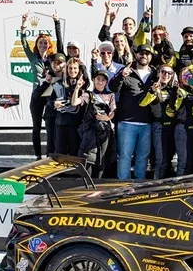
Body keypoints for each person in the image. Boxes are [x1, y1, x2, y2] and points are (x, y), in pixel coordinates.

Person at [109, 43, 157, 180]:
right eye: (141, 53)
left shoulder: (155, 74)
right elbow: (112, 87)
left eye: (147, 53)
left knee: (143, 157)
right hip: (127, 122)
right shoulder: (127, 70)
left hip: (147, 123)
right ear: (136, 55)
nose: (144, 56)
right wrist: (121, 76)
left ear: (151, 57)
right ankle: (123, 187)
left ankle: (139, 186)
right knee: (124, 156)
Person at [20, 11, 56, 160]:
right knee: (36, 126)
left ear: (49, 45)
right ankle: (37, 155)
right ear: (37, 45)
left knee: (50, 127)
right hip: (36, 95)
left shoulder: (53, 59)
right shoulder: (33, 57)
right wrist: (23, 25)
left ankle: (50, 154)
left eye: (45, 42)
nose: (43, 44)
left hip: (50, 96)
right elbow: (23, 43)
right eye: (40, 42)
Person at [75, 70, 117, 178]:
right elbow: (74, 102)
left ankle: (98, 183)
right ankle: (86, 184)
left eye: (103, 80)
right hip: (90, 131)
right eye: (98, 79)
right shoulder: (88, 94)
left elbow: (113, 110)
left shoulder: (111, 95)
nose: (100, 82)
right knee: (88, 158)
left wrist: (107, 117)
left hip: (104, 131)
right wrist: (77, 88)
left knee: (102, 158)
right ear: (94, 80)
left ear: (106, 82)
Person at [139, 64, 178, 179]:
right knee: (161, 160)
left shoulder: (175, 89)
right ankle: (158, 185)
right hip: (159, 127)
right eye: (163, 72)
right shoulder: (153, 87)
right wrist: (152, 91)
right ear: (158, 73)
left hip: (173, 127)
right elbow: (142, 103)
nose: (166, 75)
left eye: (169, 73)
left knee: (170, 159)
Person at [173, 66, 193, 176]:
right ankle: (179, 188)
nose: (187, 78)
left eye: (190, 76)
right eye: (185, 76)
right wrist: (180, 95)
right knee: (184, 162)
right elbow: (175, 106)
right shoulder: (179, 91)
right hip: (183, 129)